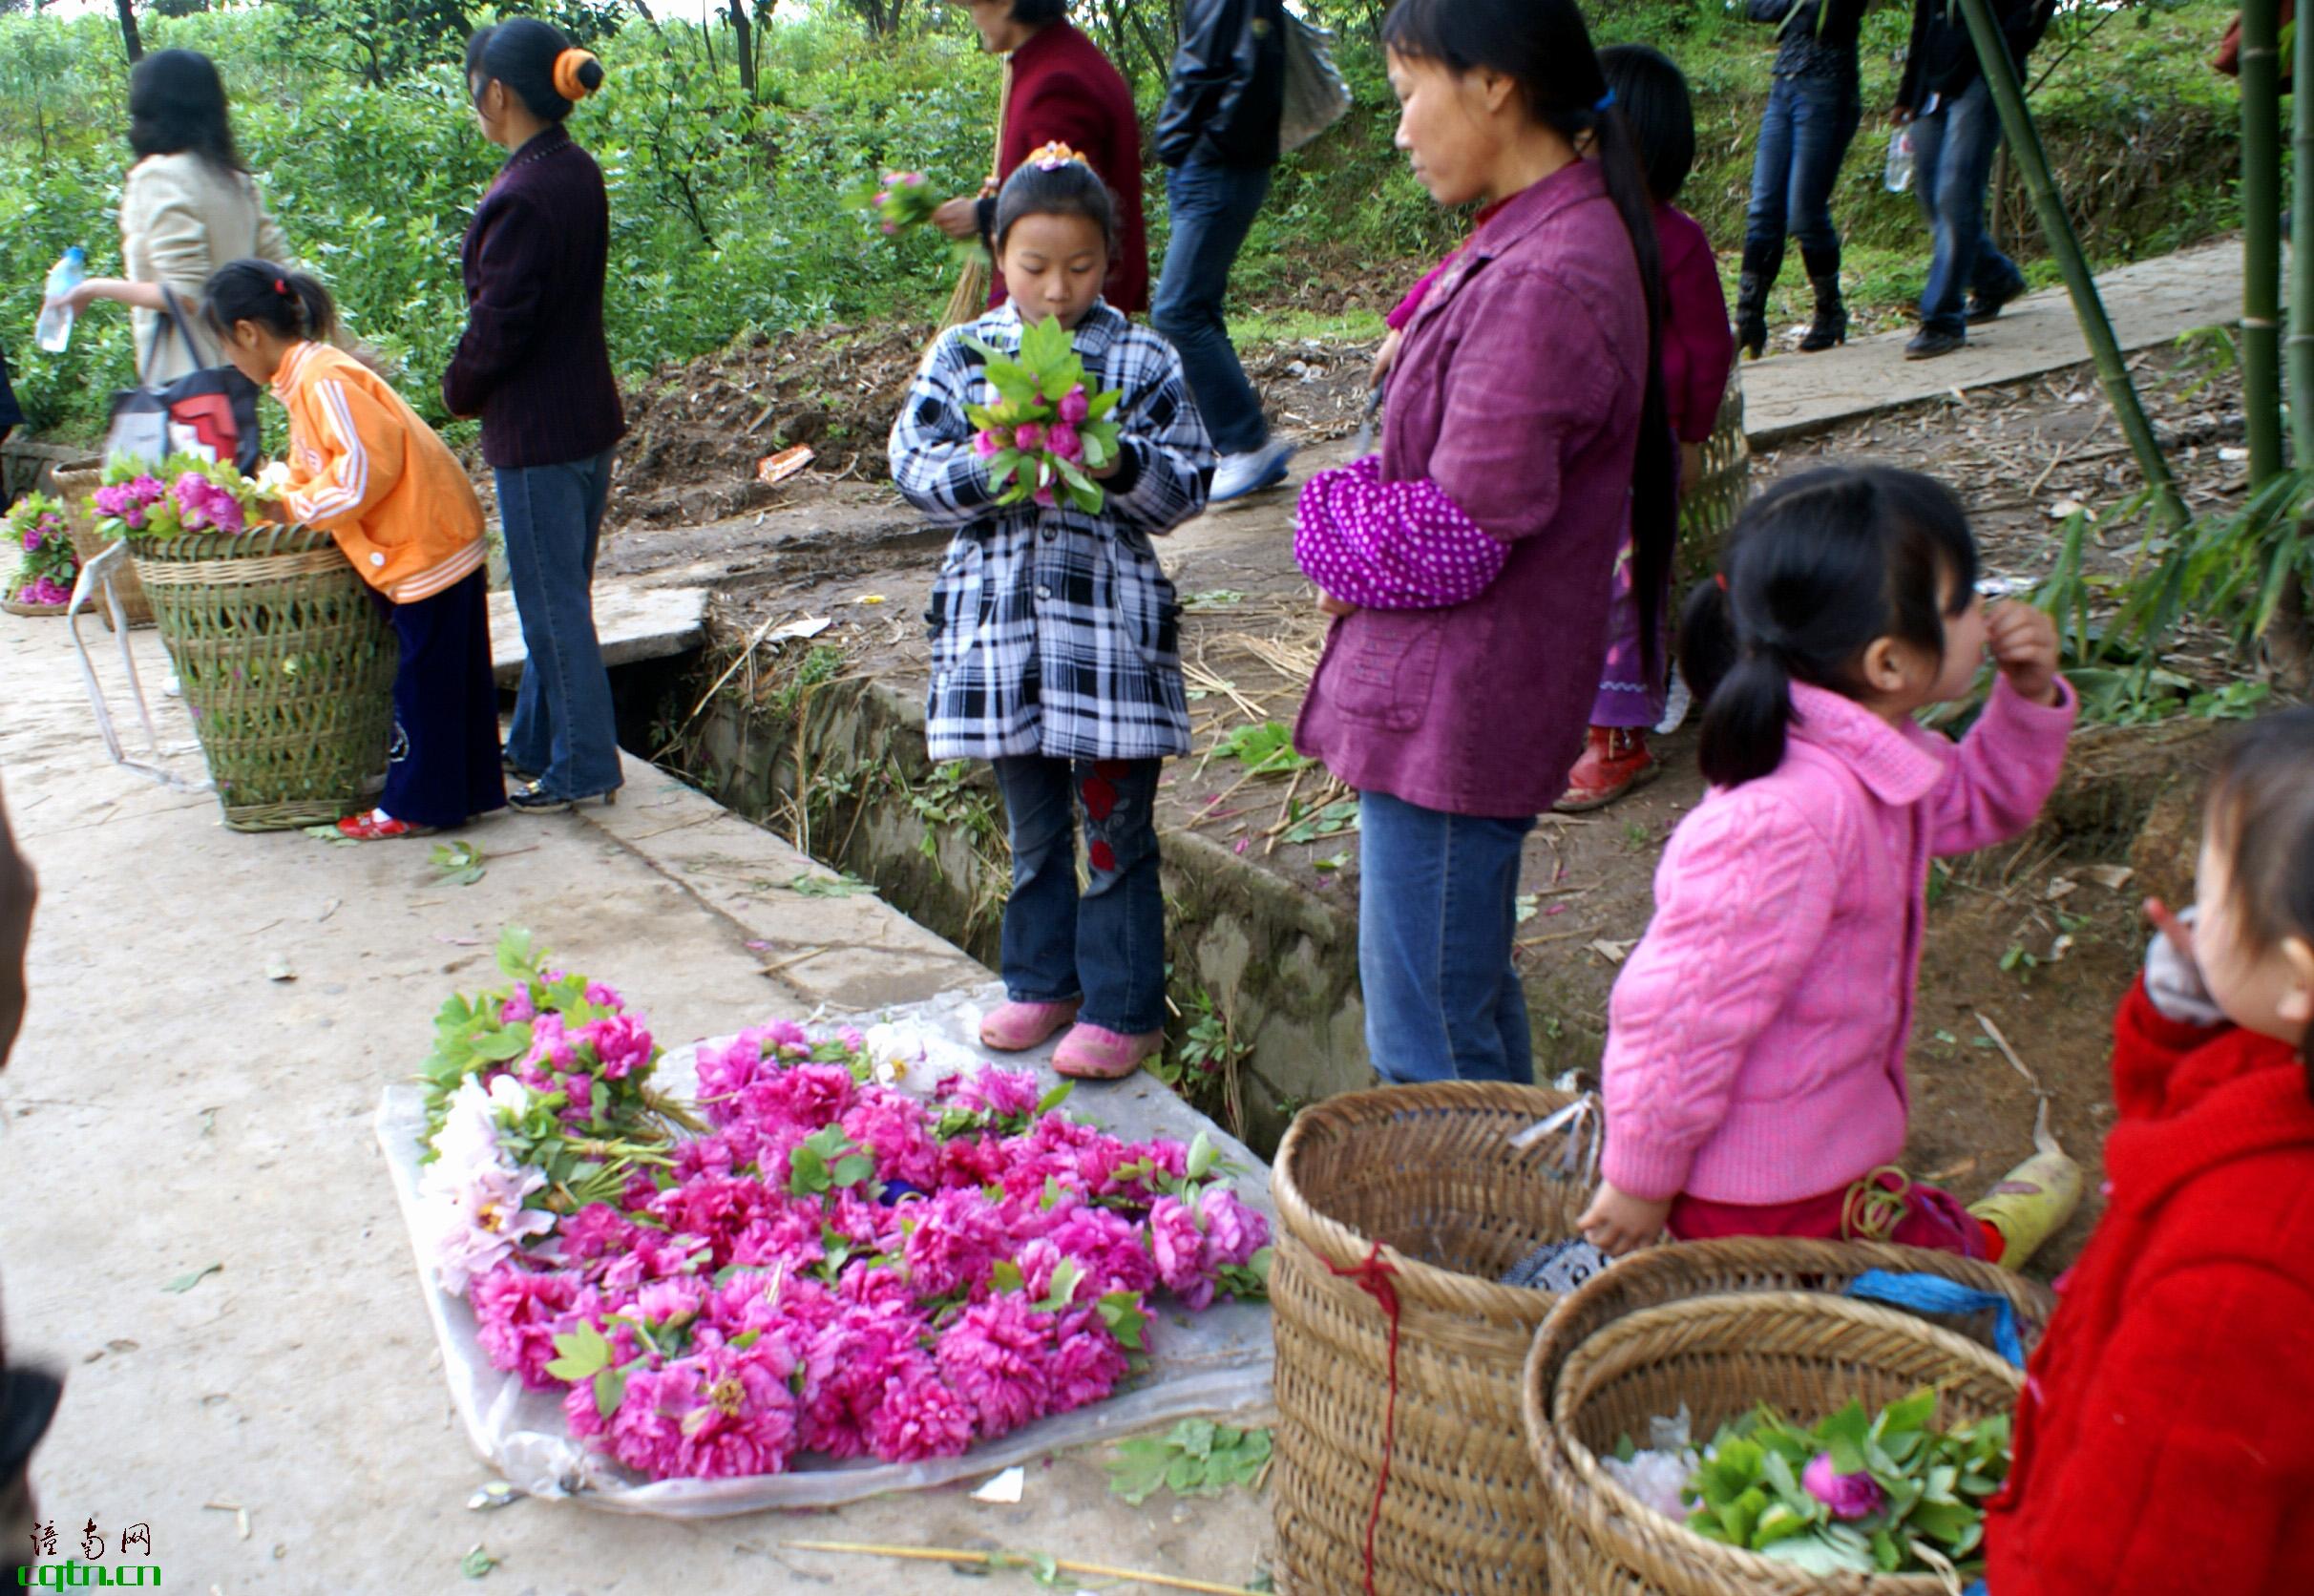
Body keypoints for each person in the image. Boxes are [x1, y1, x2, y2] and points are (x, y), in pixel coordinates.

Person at [1293, 0, 1674, 1087]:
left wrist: (1323, 523)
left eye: (1411, 94)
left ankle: (1481, 1249)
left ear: (1495, 84)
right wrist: (1362, 521)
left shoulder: (1548, 273)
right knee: (1461, 1005)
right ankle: (1522, 1230)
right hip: (1450, 703)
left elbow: (1458, 531)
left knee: (1432, 1050)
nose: (1402, 130)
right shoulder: (1536, 236)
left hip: (1458, 712)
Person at [1580, 467, 2079, 1261]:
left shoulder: (1879, 761)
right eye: (1967, 602)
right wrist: (1641, 1181)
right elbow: (1679, 1012)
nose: (1988, 617)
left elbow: (1984, 801)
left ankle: (1957, 1240)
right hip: (1761, 1201)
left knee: (1901, 1262)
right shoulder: (1786, 817)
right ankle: (1975, 1247)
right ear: (1887, 664)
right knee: (1905, 1312)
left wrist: (2027, 695)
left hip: (1827, 1164)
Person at [892, 150, 1212, 1082]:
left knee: (1114, 833)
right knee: (1034, 832)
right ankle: (1041, 984)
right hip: (1000, 641)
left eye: (1079, 267)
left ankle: (1123, 1007)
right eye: (1034, 266)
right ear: (999, 254)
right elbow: (914, 464)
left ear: (1109, 261)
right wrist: (995, 462)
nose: (1056, 288)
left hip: (1107, 637)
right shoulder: (963, 355)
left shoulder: (1145, 355)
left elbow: (1187, 478)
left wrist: (1111, 464)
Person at [1981, 713, 2314, 1593]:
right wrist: (2185, 1017)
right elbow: (2187, 1112)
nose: (2194, 906)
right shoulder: (2287, 1057)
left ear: (2300, 976)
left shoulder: (2240, 1279)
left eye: (2218, 878)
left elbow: (2128, 1557)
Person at [208, 262, 504, 840]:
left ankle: (415, 804)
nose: (230, 361)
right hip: (432, 537)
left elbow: (364, 470)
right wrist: (273, 494)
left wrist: (291, 509)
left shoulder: (322, 379)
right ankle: (464, 791)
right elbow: (312, 467)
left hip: (425, 542)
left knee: (422, 682)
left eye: (225, 344)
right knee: (450, 675)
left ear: (248, 332)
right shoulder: (304, 381)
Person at [445, 18, 626, 814]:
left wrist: (456, 390)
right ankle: (534, 745)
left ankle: (584, 764)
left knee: (552, 609)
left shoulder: (519, 193)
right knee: (564, 597)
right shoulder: (575, 170)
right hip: (585, 421)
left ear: (497, 92)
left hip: (537, 433)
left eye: (474, 93)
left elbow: (500, 326)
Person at [1557, 43, 1736, 811]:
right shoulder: (1558, 220)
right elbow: (1473, 262)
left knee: (1624, 589)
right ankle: (1575, 722)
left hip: (1637, 453)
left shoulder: (1676, 240)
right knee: (1565, 586)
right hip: (1564, 445)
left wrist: (1691, 437)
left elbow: (1706, 344)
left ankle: (1618, 741)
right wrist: (1405, 321)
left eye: (1589, 133)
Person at [41, 50, 294, 385]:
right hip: (238, 373)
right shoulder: (234, 182)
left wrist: (92, 288)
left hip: (184, 384)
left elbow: (185, 294)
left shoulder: (158, 177)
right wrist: (343, 345)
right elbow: (287, 277)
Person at [1151, 0, 1294, 502]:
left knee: (1177, 309)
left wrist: (1205, 144)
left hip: (1217, 163)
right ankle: (1245, 446)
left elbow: (1250, 69)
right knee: (1196, 307)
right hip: (1202, 161)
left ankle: (1244, 444)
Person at [934, 0, 1150, 317]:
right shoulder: (1058, 58)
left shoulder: (1057, 81)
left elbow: (1065, 206)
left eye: (973, 6)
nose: (974, 19)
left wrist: (979, 215)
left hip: (1064, 319)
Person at [1894, 0, 2053, 359]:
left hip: (1982, 75)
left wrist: (2002, 56)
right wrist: (1907, 93)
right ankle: (1995, 278)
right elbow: (1924, 20)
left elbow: (2034, 10)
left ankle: (1942, 320)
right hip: (1931, 83)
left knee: (1955, 194)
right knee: (1932, 198)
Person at [1733, 0, 1869, 359]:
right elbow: (1756, 8)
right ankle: (1748, 319)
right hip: (1785, 83)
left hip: (1830, 83)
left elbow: (1832, 17)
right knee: (1764, 209)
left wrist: (1794, 10)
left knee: (1804, 212)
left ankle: (1830, 312)